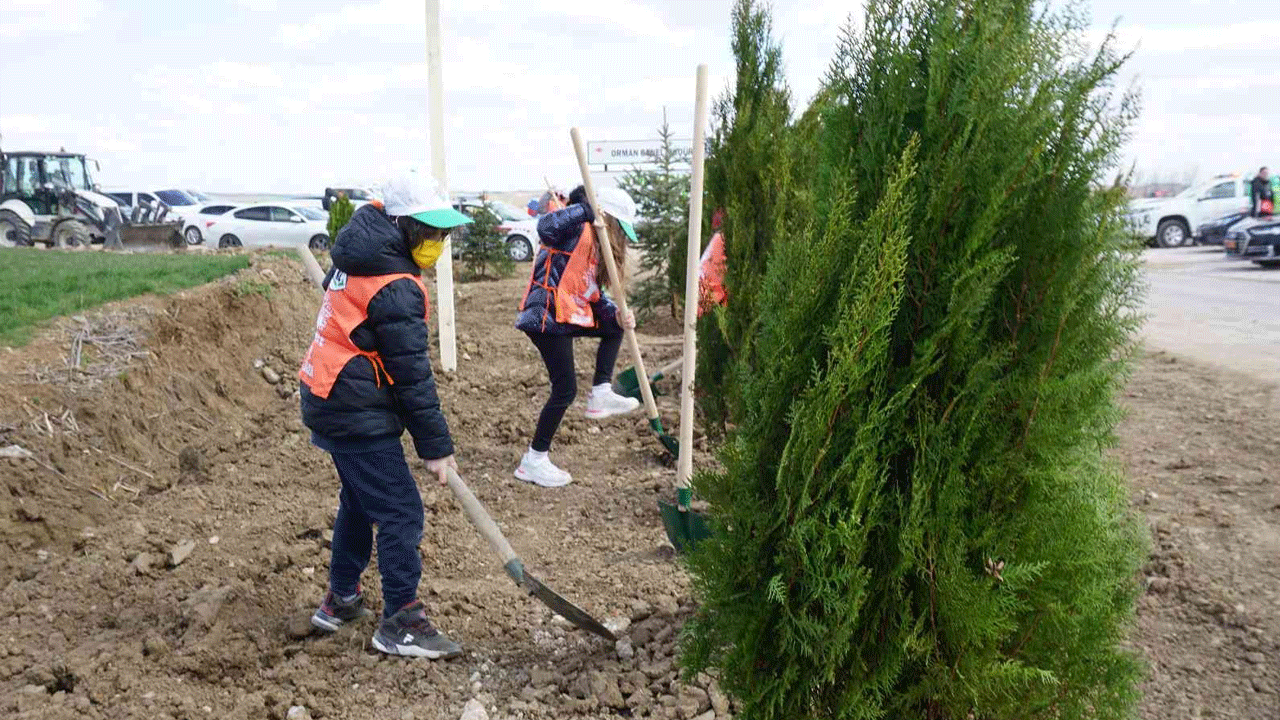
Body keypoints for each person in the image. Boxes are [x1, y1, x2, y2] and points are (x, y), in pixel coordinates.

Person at [298, 170, 473, 659]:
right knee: (400, 510)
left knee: (360, 499)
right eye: (432, 231)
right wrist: (436, 448)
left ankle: (341, 599)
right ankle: (402, 621)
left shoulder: (362, 255)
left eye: (444, 233)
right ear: (403, 224)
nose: (439, 242)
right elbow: (412, 375)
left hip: (331, 394)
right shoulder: (395, 284)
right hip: (352, 406)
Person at [514, 185, 641, 487]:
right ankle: (533, 461)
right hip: (545, 313)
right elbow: (545, 226)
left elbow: (589, 291)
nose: (620, 236)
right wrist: (587, 210)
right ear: (607, 217)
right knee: (565, 390)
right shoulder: (578, 226)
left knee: (614, 326)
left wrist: (617, 313)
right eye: (619, 227)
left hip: (565, 312)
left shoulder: (595, 244)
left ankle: (600, 393)